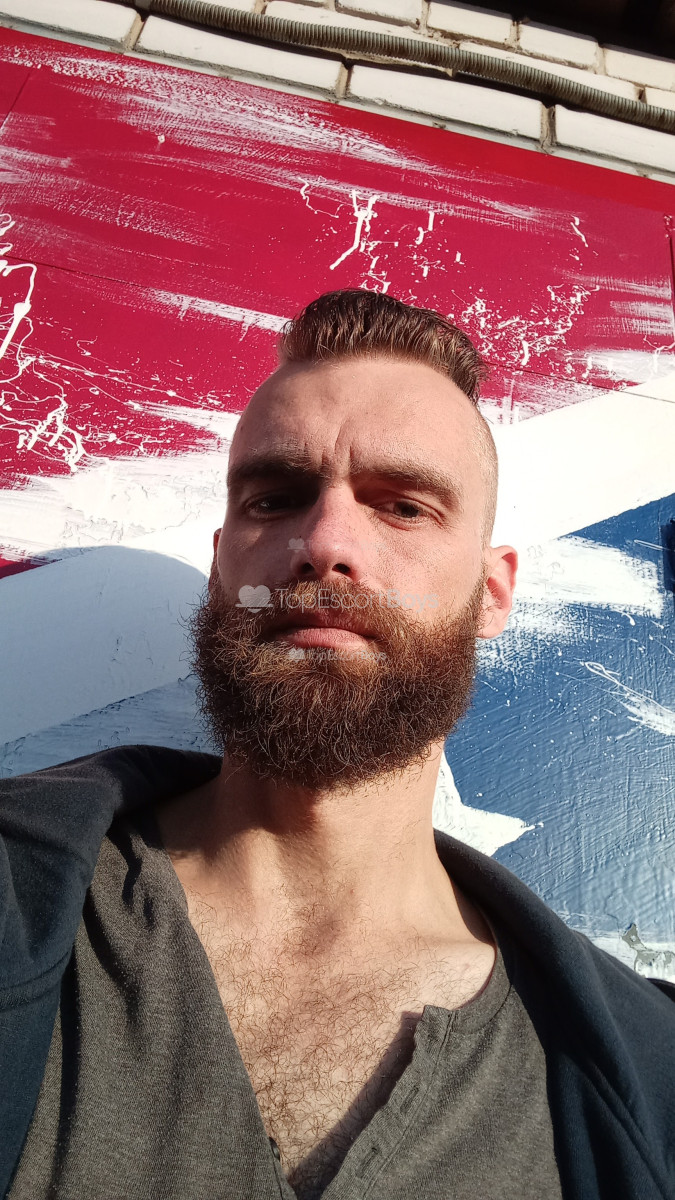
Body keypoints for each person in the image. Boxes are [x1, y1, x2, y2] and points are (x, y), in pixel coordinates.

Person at [1, 289, 673, 1200]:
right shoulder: (20, 895)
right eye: (275, 498)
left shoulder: (648, 1076)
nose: (323, 544)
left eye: (403, 507)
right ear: (220, 568)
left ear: (491, 593)